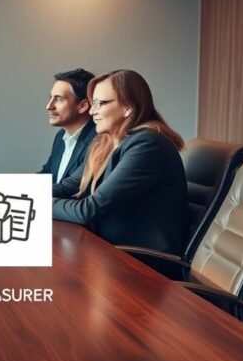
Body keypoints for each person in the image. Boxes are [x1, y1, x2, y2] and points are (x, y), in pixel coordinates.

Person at [53, 69, 187, 254]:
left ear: (128, 107)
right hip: (106, 247)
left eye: (100, 103)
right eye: (92, 103)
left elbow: (89, 210)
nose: (92, 111)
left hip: (138, 259)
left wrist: (35, 204)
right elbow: (68, 186)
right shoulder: (105, 142)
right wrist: (19, 194)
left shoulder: (148, 145)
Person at [40, 68, 97, 183]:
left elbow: (73, 187)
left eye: (59, 99)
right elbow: (47, 175)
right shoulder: (60, 137)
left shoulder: (98, 140)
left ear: (83, 106)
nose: (49, 106)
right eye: (51, 98)